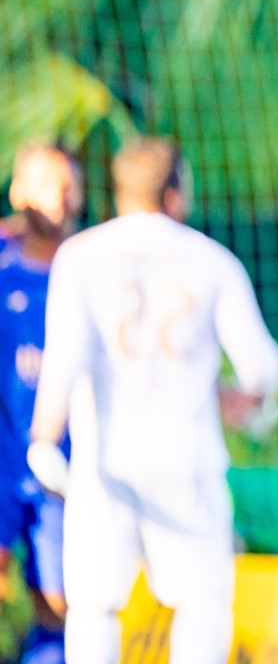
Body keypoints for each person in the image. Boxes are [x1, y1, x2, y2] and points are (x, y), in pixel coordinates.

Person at [27, 137, 278, 664]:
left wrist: (44, 439)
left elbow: (63, 361)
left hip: (104, 466)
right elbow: (261, 370)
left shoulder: (80, 256)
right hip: (187, 461)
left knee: (93, 608)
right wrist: (244, 403)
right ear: (174, 193)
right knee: (203, 604)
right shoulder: (211, 260)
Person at [0, 144, 83, 664]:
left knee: (57, 605)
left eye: (70, 185)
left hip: (64, 471)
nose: (61, 197)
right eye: (49, 184)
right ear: (19, 193)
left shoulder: (92, 270)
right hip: (3, 461)